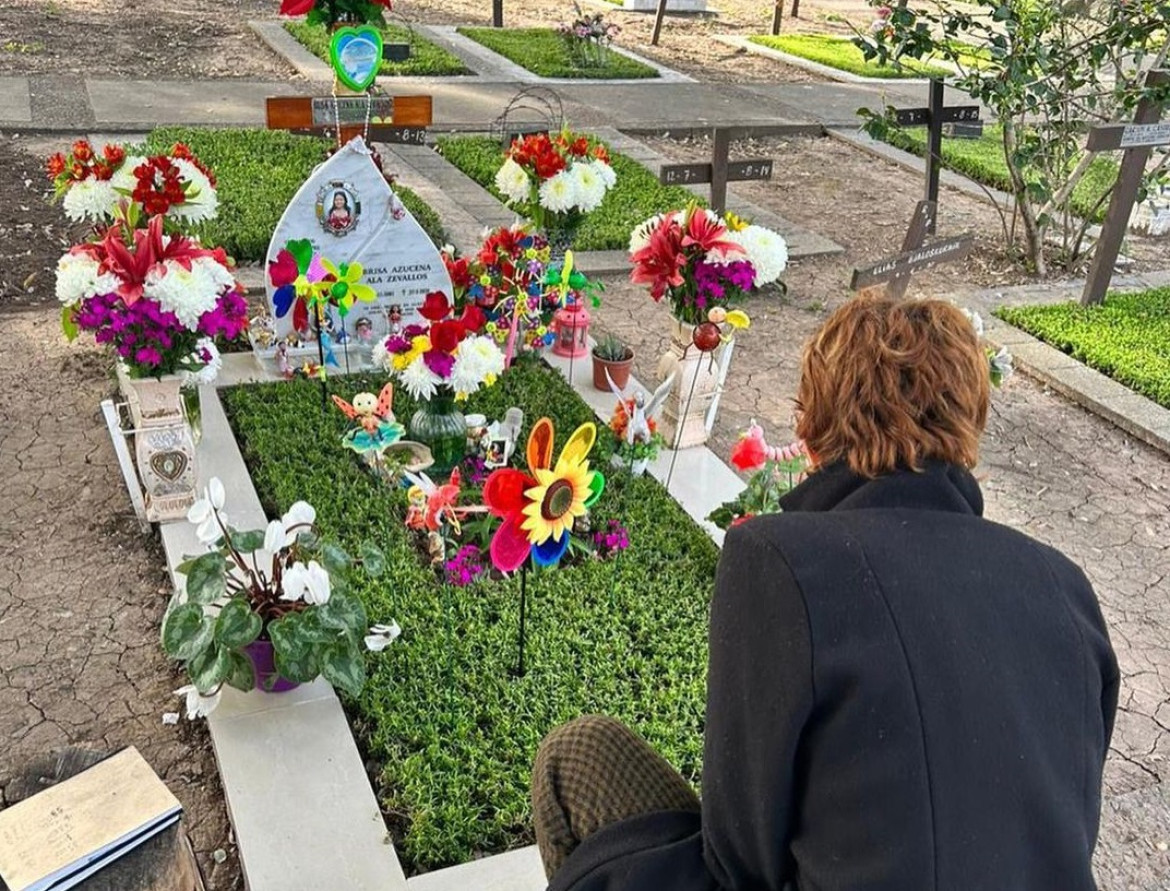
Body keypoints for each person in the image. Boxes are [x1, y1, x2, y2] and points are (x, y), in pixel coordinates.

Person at [532, 295, 1118, 891]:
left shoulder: (781, 559)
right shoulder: (1068, 588)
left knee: (578, 754)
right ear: (970, 422)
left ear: (810, 428)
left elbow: (740, 856)